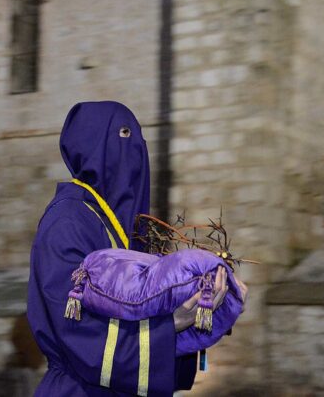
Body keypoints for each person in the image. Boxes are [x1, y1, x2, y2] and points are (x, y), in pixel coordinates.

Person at [27, 101, 245, 396]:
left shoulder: (116, 223)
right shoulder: (67, 221)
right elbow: (78, 335)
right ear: (92, 142)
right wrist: (171, 326)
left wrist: (204, 307)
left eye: (138, 135)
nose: (137, 147)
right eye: (125, 133)